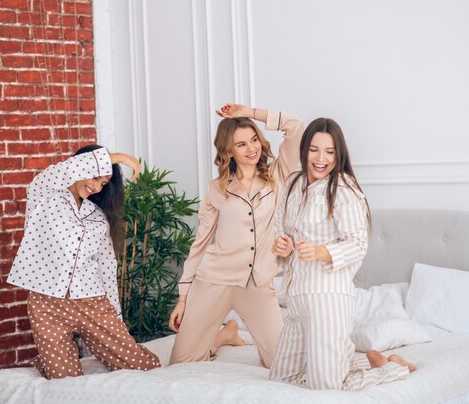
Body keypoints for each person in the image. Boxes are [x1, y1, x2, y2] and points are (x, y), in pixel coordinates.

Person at [269, 118, 416, 389]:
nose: (320, 158)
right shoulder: (293, 183)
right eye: (314, 150)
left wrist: (321, 251)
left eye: (329, 151)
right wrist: (283, 246)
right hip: (296, 297)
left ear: (339, 154)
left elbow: (358, 244)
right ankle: (349, 365)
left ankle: (395, 368)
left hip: (328, 297)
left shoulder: (343, 189)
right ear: (304, 150)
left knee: (326, 386)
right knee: (281, 380)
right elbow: (280, 230)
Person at [7, 144, 161, 379]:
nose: (98, 185)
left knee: (142, 366)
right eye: (96, 176)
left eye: (104, 182)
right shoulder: (44, 194)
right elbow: (64, 170)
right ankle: (51, 359)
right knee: (65, 380)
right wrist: (120, 158)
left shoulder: (99, 216)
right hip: (47, 304)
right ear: (80, 167)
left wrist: (115, 318)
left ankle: (49, 358)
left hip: (93, 303)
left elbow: (107, 268)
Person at [168, 103, 304, 367]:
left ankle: (225, 334)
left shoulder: (278, 175)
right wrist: (183, 298)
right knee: (181, 364)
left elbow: (295, 126)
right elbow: (201, 243)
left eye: (253, 139)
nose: (251, 148)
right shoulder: (215, 189)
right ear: (228, 151)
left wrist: (249, 113)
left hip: (258, 283)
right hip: (213, 281)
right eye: (241, 145)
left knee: (283, 365)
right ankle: (222, 336)